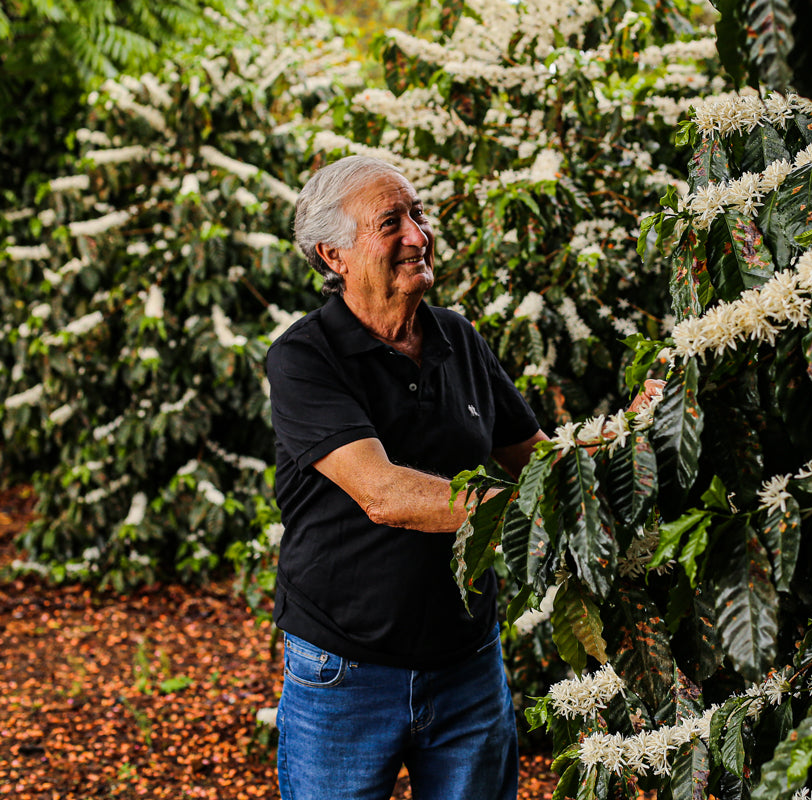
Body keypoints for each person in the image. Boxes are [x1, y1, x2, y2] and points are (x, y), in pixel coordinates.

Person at [266, 155, 659, 800]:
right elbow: (384, 494)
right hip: (345, 671)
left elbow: (535, 459)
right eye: (390, 222)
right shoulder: (306, 357)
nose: (418, 235)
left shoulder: (456, 338)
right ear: (332, 255)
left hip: (466, 667)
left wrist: (629, 432)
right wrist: (536, 504)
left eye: (418, 214)